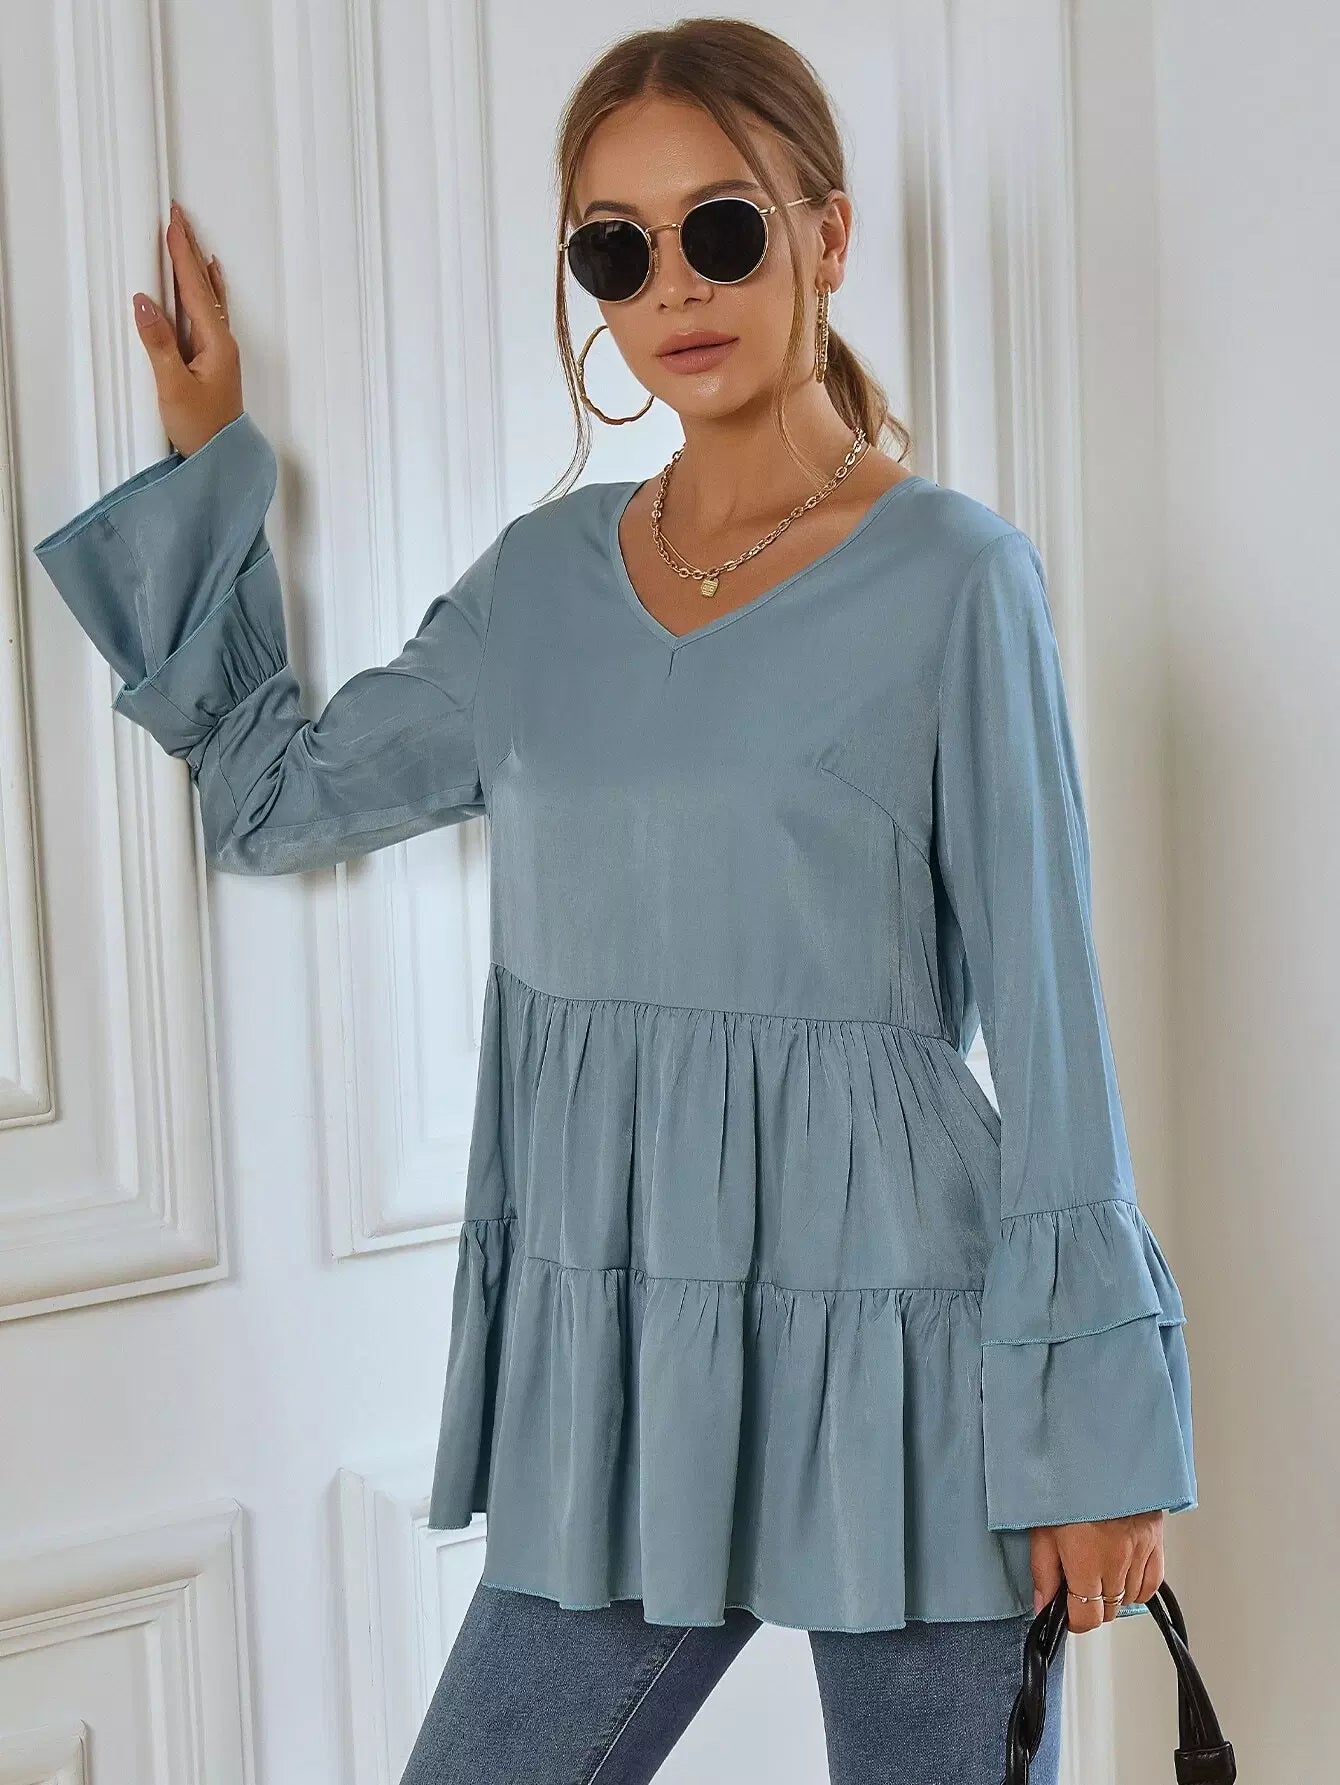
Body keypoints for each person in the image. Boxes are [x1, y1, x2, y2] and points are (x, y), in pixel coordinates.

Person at [31, 17, 1197, 1784]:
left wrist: (1092, 1436)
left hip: (914, 1368)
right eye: (616, 250)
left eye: (720, 227)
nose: (676, 289)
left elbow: (1053, 1015)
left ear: (826, 235)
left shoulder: (958, 579)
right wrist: (211, 470)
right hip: (629, 1378)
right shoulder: (541, 588)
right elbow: (278, 797)